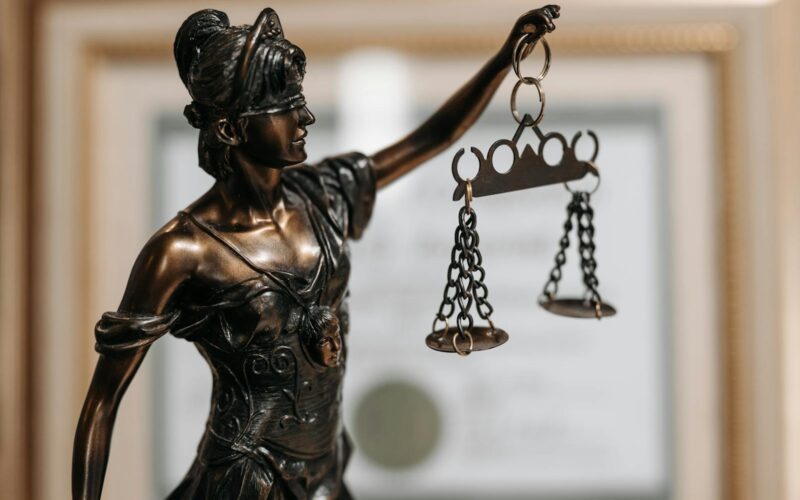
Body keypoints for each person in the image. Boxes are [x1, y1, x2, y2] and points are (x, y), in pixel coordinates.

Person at [72, 5, 560, 499]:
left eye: (299, 101)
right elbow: (102, 404)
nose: (303, 117)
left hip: (326, 471)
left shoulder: (324, 195)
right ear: (228, 128)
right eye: (283, 106)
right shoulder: (181, 251)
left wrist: (504, 58)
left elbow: (433, 137)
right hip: (247, 482)